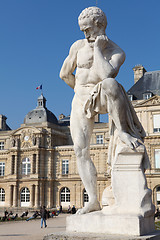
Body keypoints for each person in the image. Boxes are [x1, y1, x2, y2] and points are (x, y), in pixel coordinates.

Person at [60, 6, 148, 215]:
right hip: (81, 98)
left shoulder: (116, 51)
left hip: (102, 93)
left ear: (100, 25)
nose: (85, 34)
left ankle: (124, 131)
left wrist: (98, 49)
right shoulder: (77, 46)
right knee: (80, 150)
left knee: (110, 84)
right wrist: (81, 92)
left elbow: (107, 73)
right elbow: (64, 74)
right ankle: (92, 200)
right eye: (82, 30)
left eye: (88, 29)